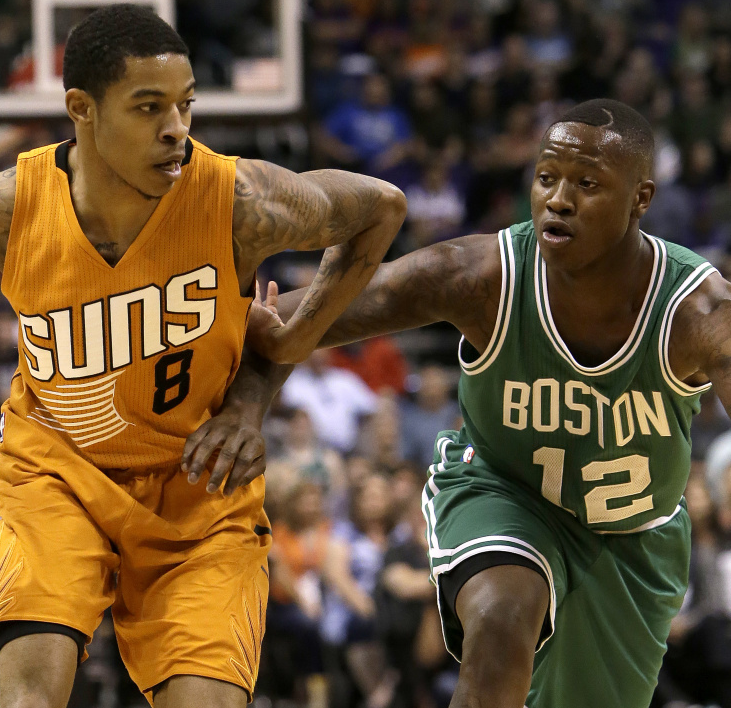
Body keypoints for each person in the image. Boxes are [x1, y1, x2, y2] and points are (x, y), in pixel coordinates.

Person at [0, 3, 406, 708]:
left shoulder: (237, 200)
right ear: (82, 109)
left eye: (185, 105)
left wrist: (289, 340)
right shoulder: (2, 209)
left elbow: (379, 207)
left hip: (196, 487)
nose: (176, 128)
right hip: (59, 475)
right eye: (148, 107)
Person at [247, 98, 731, 708]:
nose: (558, 198)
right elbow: (288, 323)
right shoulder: (482, 275)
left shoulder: (697, 310)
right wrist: (243, 404)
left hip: (633, 537)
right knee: (503, 617)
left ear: (641, 199)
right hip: (501, 492)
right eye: (547, 177)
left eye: (587, 184)